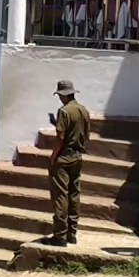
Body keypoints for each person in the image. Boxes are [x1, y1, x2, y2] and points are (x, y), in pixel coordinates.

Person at [46, 80, 90, 247]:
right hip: (77, 156)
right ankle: (72, 233)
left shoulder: (64, 111)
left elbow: (60, 137)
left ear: (63, 95)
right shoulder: (83, 110)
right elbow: (86, 136)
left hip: (63, 158)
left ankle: (60, 235)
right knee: (74, 193)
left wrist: (53, 157)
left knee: (60, 195)